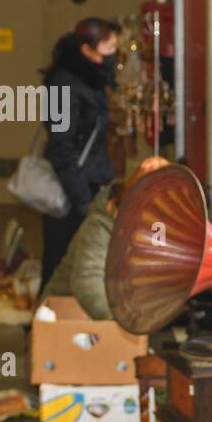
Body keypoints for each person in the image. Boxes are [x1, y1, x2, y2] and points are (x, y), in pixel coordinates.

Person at [40, 18, 120, 291]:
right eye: (109, 47)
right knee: (61, 267)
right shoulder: (63, 87)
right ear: (87, 50)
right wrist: (83, 200)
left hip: (91, 185)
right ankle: (47, 327)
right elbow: (61, 148)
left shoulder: (90, 80)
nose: (113, 53)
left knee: (86, 266)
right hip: (72, 194)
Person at [39, 157, 168, 319]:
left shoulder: (153, 226)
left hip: (98, 321)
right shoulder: (99, 225)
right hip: (63, 323)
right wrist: (128, 321)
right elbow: (87, 283)